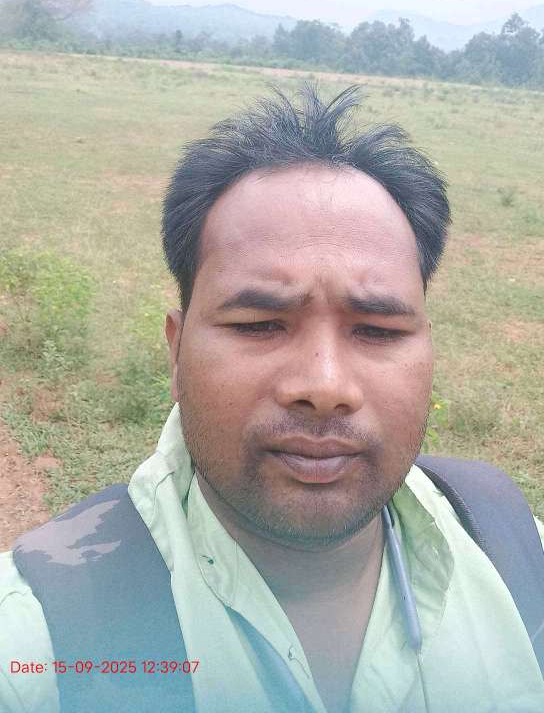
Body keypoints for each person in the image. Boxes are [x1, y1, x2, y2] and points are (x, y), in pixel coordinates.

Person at [1, 81, 543, 713]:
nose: (324, 387)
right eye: (259, 325)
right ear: (176, 352)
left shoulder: (516, 554)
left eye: (377, 330)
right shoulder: (39, 649)